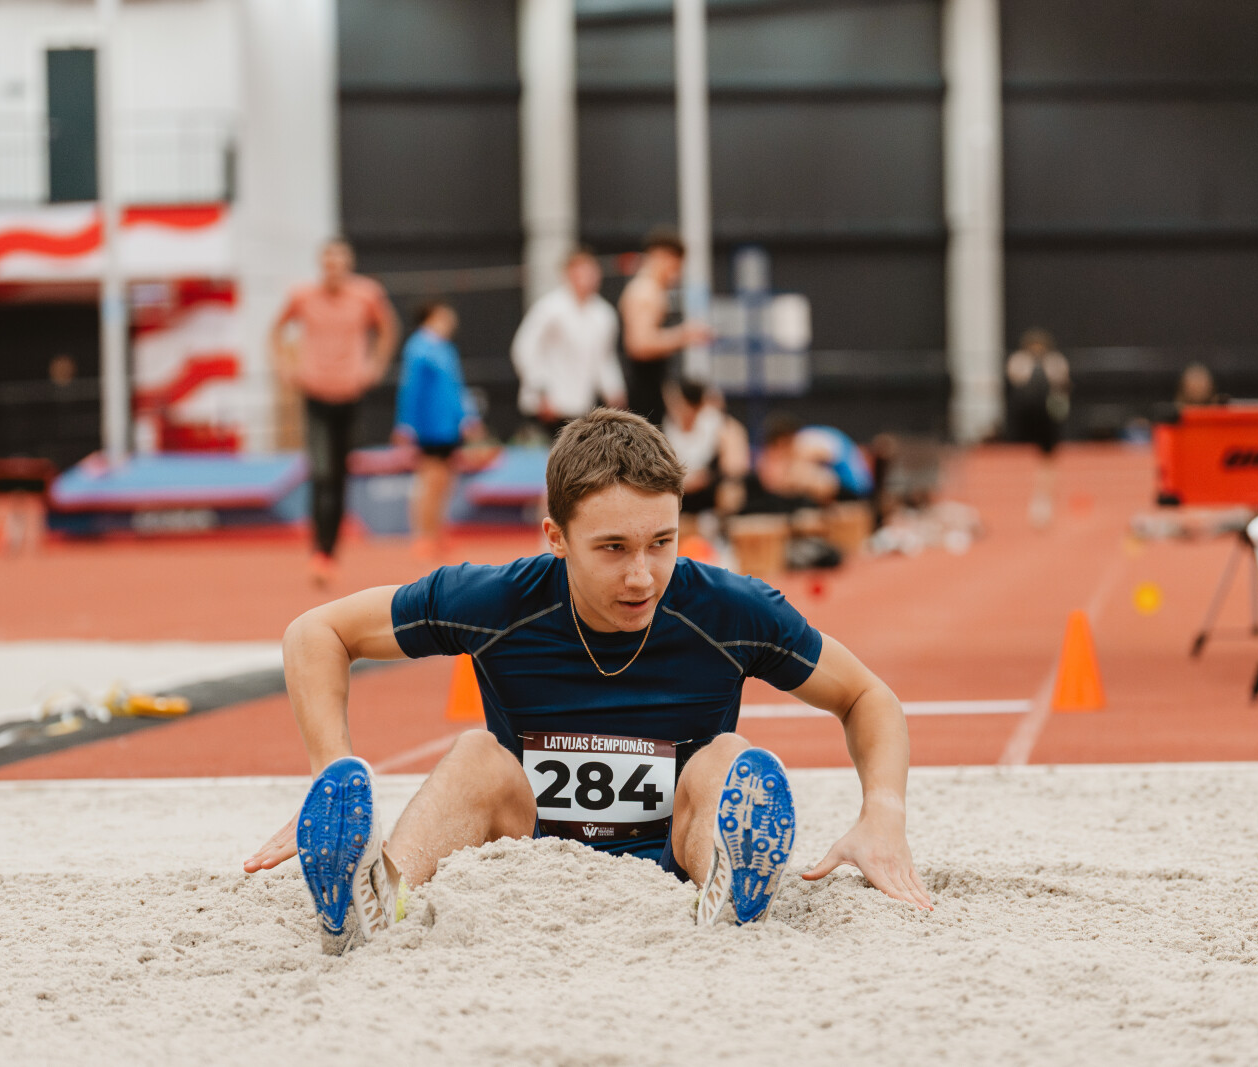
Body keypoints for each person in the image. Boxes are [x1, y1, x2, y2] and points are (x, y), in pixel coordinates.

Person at [242, 409, 931, 951]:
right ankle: (378, 895)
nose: (642, 575)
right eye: (613, 548)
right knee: (477, 754)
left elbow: (866, 695)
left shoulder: (732, 610)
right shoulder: (496, 601)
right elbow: (316, 631)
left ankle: (728, 895)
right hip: (528, 845)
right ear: (556, 537)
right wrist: (327, 774)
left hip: (680, 845)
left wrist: (883, 815)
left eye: (662, 542)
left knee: (726, 757)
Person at [271, 238, 400, 586]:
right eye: (329, 263)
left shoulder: (366, 294)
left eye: (340, 263)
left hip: (350, 395)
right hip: (315, 394)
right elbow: (276, 330)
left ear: (349, 265)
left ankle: (330, 550)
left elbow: (388, 328)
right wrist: (284, 367)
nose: (334, 270)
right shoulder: (302, 296)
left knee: (341, 474)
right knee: (321, 472)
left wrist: (376, 365)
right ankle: (320, 552)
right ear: (321, 265)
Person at [393, 300, 481, 559]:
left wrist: (467, 418)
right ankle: (422, 536)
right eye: (444, 316)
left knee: (445, 482)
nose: (451, 321)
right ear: (430, 317)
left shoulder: (447, 349)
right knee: (430, 480)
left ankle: (437, 533)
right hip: (428, 426)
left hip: (449, 427)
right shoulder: (417, 348)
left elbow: (456, 388)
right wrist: (406, 424)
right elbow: (410, 389)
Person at [511, 247, 625, 438]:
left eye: (591, 271)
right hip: (547, 406)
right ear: (568, 274)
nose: (587, 278)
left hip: (580, 406)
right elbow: (524, 349)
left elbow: (605, 359)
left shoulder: (604, 314)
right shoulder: (550, 307)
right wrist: (540, 393)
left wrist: (614, 392)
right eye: (581, 271)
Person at [618, 230, 710, 428]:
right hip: (639, 395)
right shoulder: (645, 292)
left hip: (648, 389)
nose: (678, 274)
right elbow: (639, 345)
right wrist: (685, 334)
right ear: (661, 257)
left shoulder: (653, 291)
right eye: (676, 266)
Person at [1004, 328, 1071, 527]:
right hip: (1026, 416)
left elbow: (1063, 386)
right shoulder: (1019, 361)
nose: (1037, 349)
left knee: (1047, 457)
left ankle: (1043, 498)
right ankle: (1024, 498)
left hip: (1047, 416)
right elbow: (1015, 381)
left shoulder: (1055, 362)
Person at [749, 414, 874, 513]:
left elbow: (823, 473)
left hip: (855, 490)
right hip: (851, 487)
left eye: (777, 446)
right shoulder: (805, 438)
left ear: (783, 439)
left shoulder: (806, 440)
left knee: (804, 475)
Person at [662, 378, 750, 518]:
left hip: (710, 487)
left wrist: (709, 476)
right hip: (679, 487)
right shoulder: (668, 425)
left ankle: (720, 525)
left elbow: (736, 467)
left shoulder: (718, 424)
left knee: (730, 489)